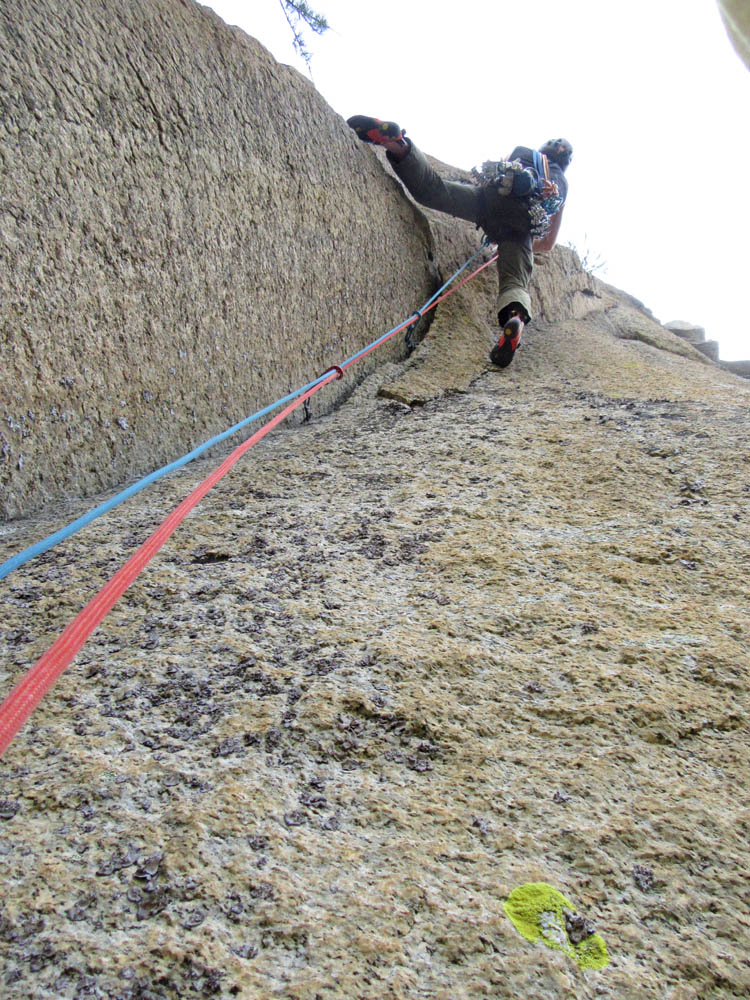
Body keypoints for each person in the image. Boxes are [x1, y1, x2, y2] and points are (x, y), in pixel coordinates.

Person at [347, 116, 572, 368]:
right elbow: (548, 242)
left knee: (434, 190)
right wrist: (520, 244)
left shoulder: (524, 153)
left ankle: (399, 145)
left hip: (490, 200)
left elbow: (495, 173)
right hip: (519, 225)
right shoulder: (561, 184)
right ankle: (515, 318)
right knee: (515, 282)